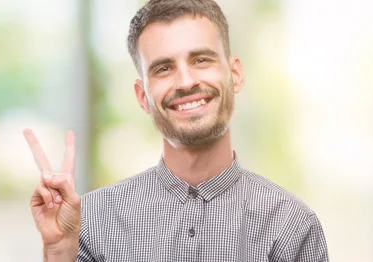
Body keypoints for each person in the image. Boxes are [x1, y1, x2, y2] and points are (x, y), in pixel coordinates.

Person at [23, 0, 329, 261]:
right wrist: (61, 251)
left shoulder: (291, 226)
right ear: (143, 97)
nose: (185, 82)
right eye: (164, 68)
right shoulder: (91, 222)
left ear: (234, 75)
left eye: (201, 60)